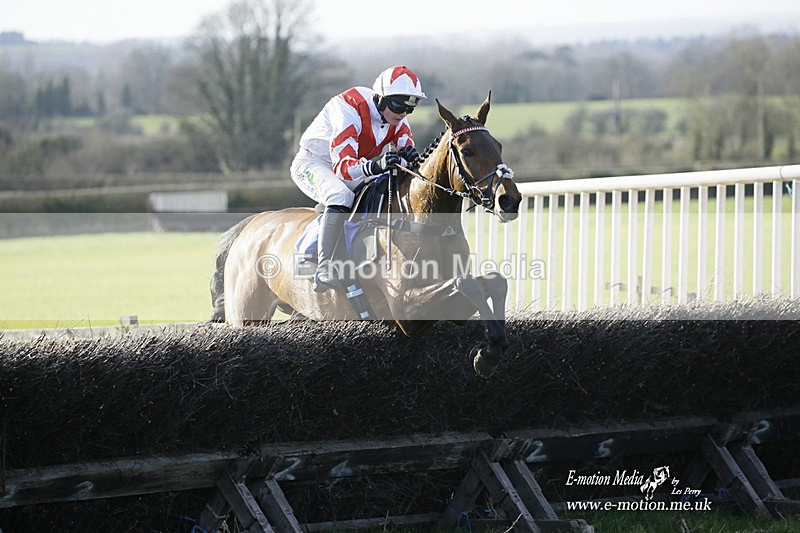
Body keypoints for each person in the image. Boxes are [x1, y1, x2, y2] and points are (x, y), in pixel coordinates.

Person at [291, 65, 425, 292]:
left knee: (382, 186)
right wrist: (376, 165)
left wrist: (409, 157)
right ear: (381, 98)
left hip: (352, 165)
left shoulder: (396, 117)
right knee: (340, 195)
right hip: (313, 163)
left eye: (410, 108)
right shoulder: (350, 108)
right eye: (398, 105)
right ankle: (323, 267)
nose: (403, 113)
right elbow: (343, 167)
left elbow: (406, 154)